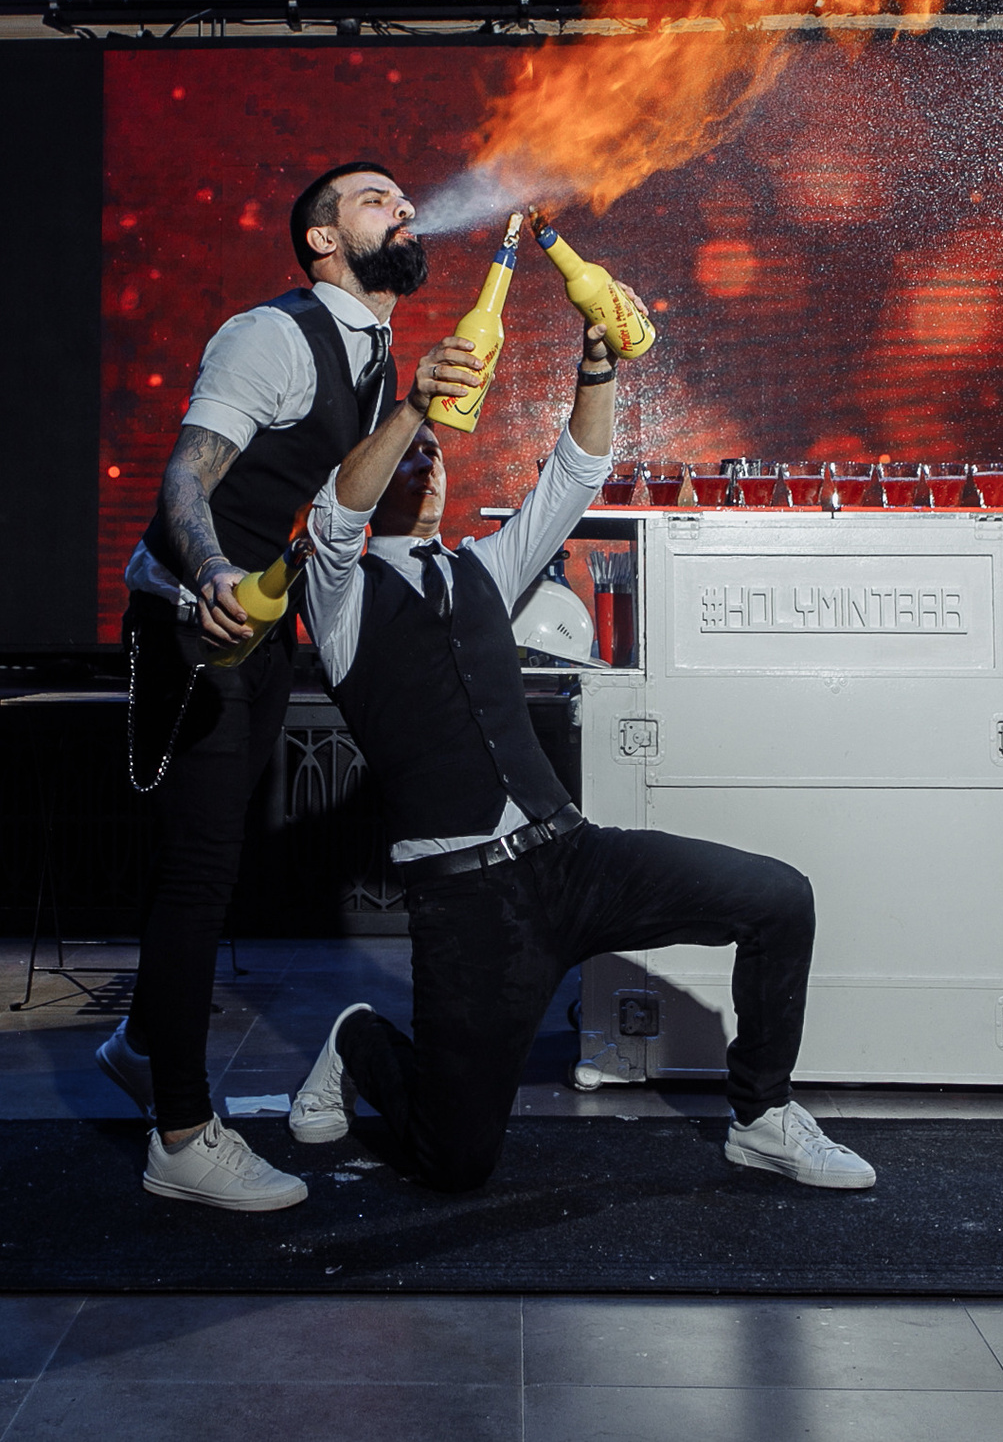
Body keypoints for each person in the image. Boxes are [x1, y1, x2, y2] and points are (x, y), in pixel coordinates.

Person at [285, 303, 877, 1196]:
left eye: (434, 452)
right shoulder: (339, 599)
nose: (428, 463)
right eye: (409, 452)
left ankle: (760, 1117)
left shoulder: (486, 566)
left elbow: (577, 471)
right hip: (471, 905)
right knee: (456, 1163)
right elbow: (333, 518)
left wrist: (595, 367)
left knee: (780, 898)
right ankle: (361, 1039)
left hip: (573, 859)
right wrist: (412, 408)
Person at [97, 161, 430, 1212]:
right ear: (324, 239)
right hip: (192, 620)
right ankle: (182, 1136)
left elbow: (349, 506)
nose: (406, 206)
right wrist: (208, 577)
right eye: (377, 197)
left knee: (220, 853)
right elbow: (184, 478)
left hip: (263, 627)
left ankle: (146, 1046)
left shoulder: (377, 358)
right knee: (199, 869)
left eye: (405, 197)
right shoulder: (273, 335)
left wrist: (421, 431)